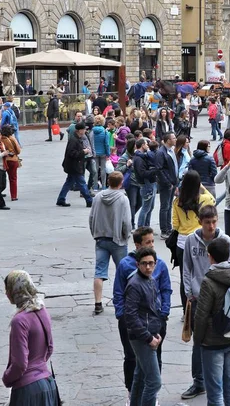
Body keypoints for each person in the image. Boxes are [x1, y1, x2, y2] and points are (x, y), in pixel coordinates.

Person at [181, 205, 230, 400]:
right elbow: (186, 266)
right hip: (198, 297)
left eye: (214, 222)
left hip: (220, 300)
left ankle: (220, 378)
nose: (211, 226)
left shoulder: (225, 241)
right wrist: (188, 291)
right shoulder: (190, 241)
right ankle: (199, 381)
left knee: (223, 339)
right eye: (207, 223)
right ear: (200, 222)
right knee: (198, 340)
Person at [113, 227, 171, 393]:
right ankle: (132, 392)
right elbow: (118, 293)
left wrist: (164, 314)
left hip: (155, 320)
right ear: (138, 245)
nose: (152, 245)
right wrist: (121, 316)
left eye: (153, 241)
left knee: (155, 356)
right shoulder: (125, 265)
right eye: (148, 242)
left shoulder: (159, 264)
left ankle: (151, 396)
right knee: (132, 358)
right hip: (132, 322)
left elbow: (166, 289)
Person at [194, 237, 230, 406]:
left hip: (212, 342)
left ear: (210, 257)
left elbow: (201, 315)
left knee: (215, 391)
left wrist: (198, 340)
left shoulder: (209, 281)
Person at [2, 270, 59, 406]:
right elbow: (49, 348)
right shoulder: (42, 310)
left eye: (8, 289)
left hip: (28, 390)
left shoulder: (19, 321)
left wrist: (6, 378)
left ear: (15, 290)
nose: (6, 293)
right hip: (47, 383)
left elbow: (20, 364)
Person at [123, 247, 169, 406]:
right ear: (137, 264)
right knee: (154, 382)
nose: (148, 267)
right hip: (142, 338)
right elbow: (130, 316)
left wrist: (156, 332)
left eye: (151, 263)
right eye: (144, 264)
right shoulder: (135, 284)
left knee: (140, 376)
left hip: (149, 334)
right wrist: (149, 338)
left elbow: (151, 310)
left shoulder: (150, 280)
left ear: (155, 264)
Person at [89, 171, 132, 315]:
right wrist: (126, 235)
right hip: (118, 239)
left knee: (99, 272)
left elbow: (91, 217)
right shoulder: (123, 199)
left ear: (108, 181)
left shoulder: (98, 197)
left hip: (101, 238)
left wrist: (95, 233)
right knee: (123, 271)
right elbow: (126, 221)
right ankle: (122, 300)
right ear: (121, 183)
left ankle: (98, 303)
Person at [172, 170, 215, 313]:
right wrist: (202, 187)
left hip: (182, 243)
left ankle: (186, 310)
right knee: (201, 274)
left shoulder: (177, 202)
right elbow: (212, 199)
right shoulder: (204, 199)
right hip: (199, 240)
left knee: (185, 276)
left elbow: (175, 225)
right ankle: (202, 307)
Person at [56, 121, 93, 208]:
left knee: (69, 182)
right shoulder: (74, 140)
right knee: (82, 183)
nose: (85, 131)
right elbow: (72, 153)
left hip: (73, 165)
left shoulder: (77, 139)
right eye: (84, 129)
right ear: (80, 130)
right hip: (74, 166)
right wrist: (83, 151)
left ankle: (61, 199)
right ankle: (89, 200)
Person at [156, 132, 178, 239]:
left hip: (172, 182)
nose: (175, 139)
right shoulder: (161, 152)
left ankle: (169, 228)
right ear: (168, 140)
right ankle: (164, 230)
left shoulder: (171, 150)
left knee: (169, 206)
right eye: (173, 138)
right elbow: (159, 170)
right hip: (166, 184)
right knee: (165, 206)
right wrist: (167, 182)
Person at [133, 138, 158, 227]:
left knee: (150, 207)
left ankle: (146, 226)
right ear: (142, 145)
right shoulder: (139, 159)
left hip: (150, 183)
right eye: (146, 144)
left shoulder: (142, 156)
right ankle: (141, 227)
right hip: (146, 185)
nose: (147, 146)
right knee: (146, 208)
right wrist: (155, 170)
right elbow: (142, 173)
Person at [1, 124, 21, 202]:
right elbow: (18, 151)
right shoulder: (12, 139)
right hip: (12, 160)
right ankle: (13, 196)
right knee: (13, 179)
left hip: (2, 160)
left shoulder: (0, 139)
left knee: (0, 178)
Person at [93, 114, 110, 190]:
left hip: (94, 152)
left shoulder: (92, 131)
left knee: (95, 169)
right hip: (103, 152)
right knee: (103, 169)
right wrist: (108, 153)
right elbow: (106, 144)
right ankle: (103, 186)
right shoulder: (104, 131)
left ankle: (95, 186)